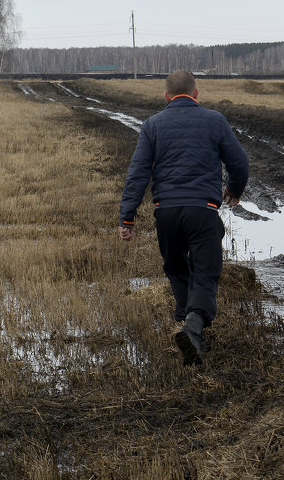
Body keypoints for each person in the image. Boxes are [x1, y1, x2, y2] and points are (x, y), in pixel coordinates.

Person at [119, 70, 250, 366]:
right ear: (196, 93)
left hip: (165, 212)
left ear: (166, 96)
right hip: (201, 211)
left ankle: (189, 329)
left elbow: (138, 173)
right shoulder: (214, 120)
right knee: (205, 272)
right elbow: (240, 162)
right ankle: (192, 326)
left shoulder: (153, 125)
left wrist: (127, 218)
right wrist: (234, 189)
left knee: (176, 267)